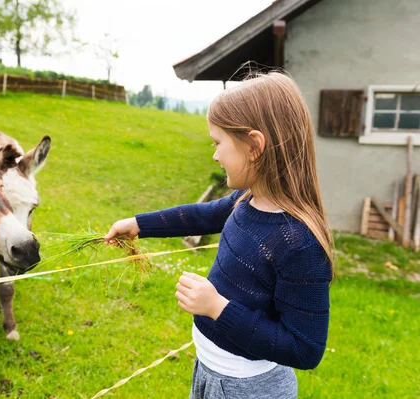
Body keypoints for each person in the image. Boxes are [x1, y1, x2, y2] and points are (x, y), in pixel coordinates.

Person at [104, 72, 333, 399]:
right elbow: (201, 215)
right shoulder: (247, 199)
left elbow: (305, 349)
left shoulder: (299, 243)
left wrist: (217, 308)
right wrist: (139, 224)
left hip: (248, 388)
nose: (214, 155)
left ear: (254, 146)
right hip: (212, 373)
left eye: (217, 143)